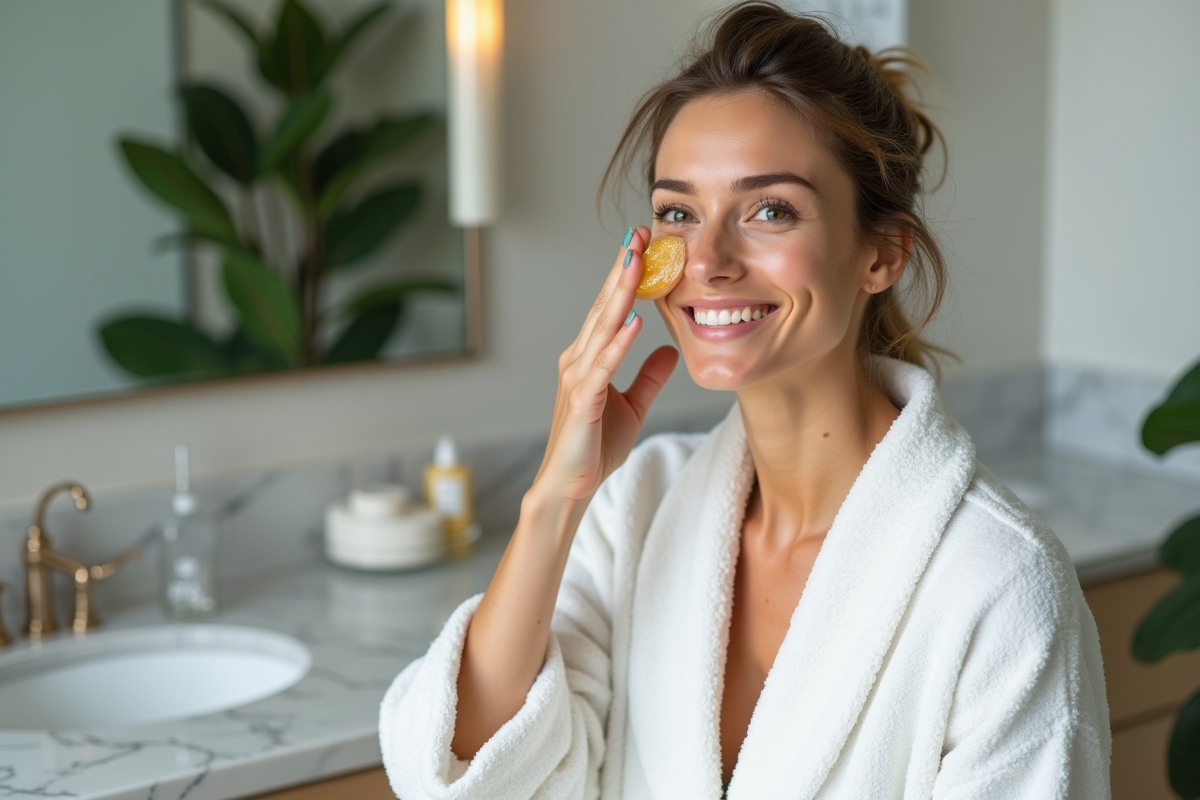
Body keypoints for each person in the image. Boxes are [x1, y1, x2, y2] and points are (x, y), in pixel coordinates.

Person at [380, 3, 1111, 798]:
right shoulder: (640, 508)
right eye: (678, 213)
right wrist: (555, 497)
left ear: (881, 254)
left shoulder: (998, 584)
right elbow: (466, 773)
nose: (709, 261)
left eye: (770, 210)